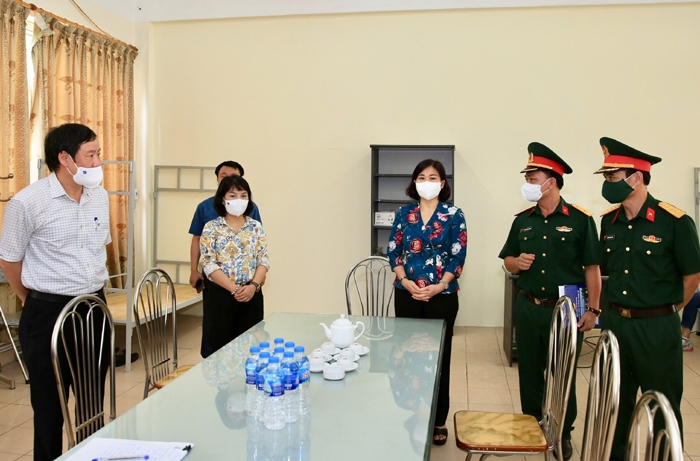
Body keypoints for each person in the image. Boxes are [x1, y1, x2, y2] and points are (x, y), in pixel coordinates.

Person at [0, 123, 111, 461]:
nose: (97, 162)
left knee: (92, 401)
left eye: (98, 154)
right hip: (47, 312)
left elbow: (99, 248)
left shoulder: (99, 196)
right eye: (90, 155)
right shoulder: (27, 202)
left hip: (92, 308)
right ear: (65, 158)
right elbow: (9, 261)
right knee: (49, 406)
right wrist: (31, 300)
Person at [595, 137, 700, 460]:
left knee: (661, 406)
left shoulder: (675, 222)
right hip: (616, 324)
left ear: (636, 177)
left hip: (656, 329)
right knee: (614, 404)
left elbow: (692, 277)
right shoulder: (609, 221)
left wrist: (667, 309)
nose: (607, 183)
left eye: (612, 176)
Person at [498, 142, 601, 461]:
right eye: (527, 178)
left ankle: (563, 431)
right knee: (529, 371)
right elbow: (507, 260)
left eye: (533, 178)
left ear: (551, 181)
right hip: (529, 307)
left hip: (566, 311)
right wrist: (517, 263)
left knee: (563, 373)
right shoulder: (522, 220)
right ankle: (531, 425)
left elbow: (592, 268)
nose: (527, 183)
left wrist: (593, 310)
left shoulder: (580, 220)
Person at [387, 159, 467, 446]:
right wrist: (405, 280)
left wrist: (440, 285)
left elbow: (458, 255)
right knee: (408, 351)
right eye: (421, 177)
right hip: (406, 293)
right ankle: (413, 408)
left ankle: (438, 419)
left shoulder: (454, 215)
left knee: (438, 356)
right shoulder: (404, 214)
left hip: (441, 296)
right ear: (414, 182)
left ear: (443, 183)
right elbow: (394, 251)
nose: (427, 181)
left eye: (433, 177)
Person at [189, 160, 262, 358]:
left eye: (243, 195)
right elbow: (200, 246)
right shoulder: (207, 215)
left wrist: (254, 284)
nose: (238, 199)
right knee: (218, 339)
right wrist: (194, 270)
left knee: (251, 341)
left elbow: (261, 255)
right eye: (224, 176)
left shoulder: (254, 220)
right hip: (219, 287)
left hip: (249, 289)